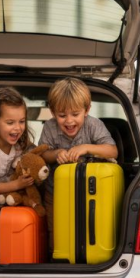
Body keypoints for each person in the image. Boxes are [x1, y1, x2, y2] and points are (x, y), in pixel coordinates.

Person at [37, 77, 118, 238]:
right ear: (53, 112)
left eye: (75, 114)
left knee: (89, 230)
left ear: (87, 110)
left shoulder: (93, 125)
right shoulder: (49, 127)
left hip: (91, 193)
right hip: (55, 193)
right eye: (61, 115)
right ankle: (56, 259)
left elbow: (112, 151)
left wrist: (86, 147)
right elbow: (43, 154)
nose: (69, 120)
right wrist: (56, 153)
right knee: (56, 232)